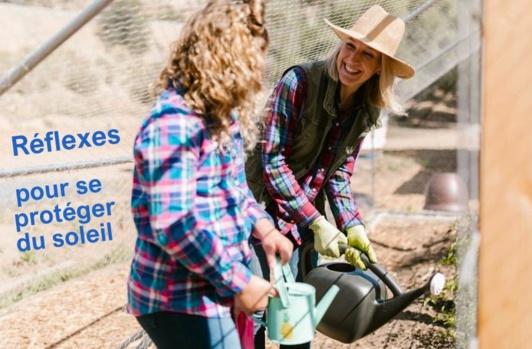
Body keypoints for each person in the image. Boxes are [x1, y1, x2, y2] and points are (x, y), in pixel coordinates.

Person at [245, 4, 415, 348]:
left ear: (380, 69)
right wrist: (320, 223)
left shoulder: (366, 108)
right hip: (258, 210)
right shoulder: (299, 82)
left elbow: (337, 176)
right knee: (259, 312)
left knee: (297, 321)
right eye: (351, 46)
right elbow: (272, 162)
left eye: (368, 55)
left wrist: (353, 225)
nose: (353, 60)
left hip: (301, 219)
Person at [126, 1, 293, 348]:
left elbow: (235, 189)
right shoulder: (173, 124)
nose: (259, 71)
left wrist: (265, 229)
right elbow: (173, 223)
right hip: (177, 296)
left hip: (212, 285)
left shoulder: (221, 118)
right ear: (225, 59)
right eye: (253, 59)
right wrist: (240, 283)